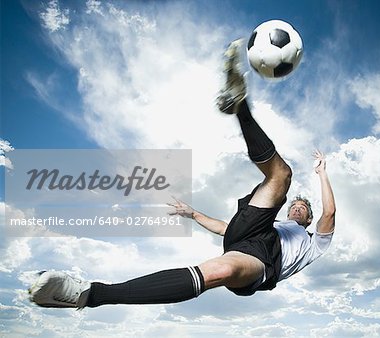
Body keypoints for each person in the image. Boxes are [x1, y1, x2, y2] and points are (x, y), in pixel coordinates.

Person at [28, 40, 336, 309]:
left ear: (309, 220)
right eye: (296, 205)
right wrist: (194, 214)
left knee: (219, 273)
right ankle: (239, 104)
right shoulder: (279, 222)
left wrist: (322, 173)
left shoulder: (314, 242)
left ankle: (87, 294)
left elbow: (330, 213)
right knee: (280, 176)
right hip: (256, 229)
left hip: (261, 258)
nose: (298, 207)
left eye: (304, 208)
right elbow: (226, 227)